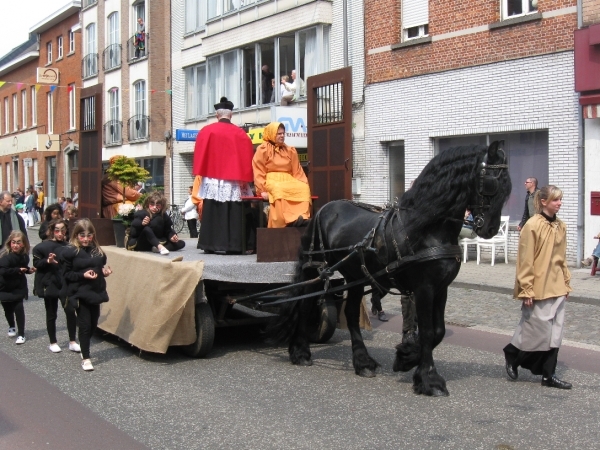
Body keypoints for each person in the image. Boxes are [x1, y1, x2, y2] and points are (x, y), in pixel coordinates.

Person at [503, 185, 572, 389]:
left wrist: (566, 282)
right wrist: (526, 289)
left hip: (557, 284)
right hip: (539, 285)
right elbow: (525, 260)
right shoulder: (532, 225)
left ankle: (548, 375)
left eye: (560, 200)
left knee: (555, 333)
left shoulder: (561, 226)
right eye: (555, 200)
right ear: (543, 202)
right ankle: (513, 355)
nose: (559, 203)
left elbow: (561, 258)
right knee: (537, 330)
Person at [193, 96, 255, 254]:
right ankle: (234, 246)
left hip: (213, 178)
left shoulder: (207, 131)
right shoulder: (241, 134)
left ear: (217, 115)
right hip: (234, 180)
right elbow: (248, 157)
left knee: (213, 210)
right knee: (234, 212)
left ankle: (210, 244)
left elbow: (200, 154)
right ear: (231, 114)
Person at [61, 219, 112, 371]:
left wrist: (104, 272)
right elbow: (67, 274)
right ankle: (86, 358)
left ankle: (84, 345)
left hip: (95, 291)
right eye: (82, 235)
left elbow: (99, 267)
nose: (85, 239)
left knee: (93, 324)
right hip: (79, 292)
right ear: (76, 235)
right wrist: (83, 275)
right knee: (85, 324)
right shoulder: (70, 252)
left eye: (89, 235)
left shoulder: (97, 251)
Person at [32, 219, 79, 354]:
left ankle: (72, 341)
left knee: (70, 311)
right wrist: (48, 261)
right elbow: (36, 263)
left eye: (62, 230)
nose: (60, 233)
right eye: (57, 230)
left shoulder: (69, 246)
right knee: (51, 313)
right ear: (52, 231)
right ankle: (53, 341)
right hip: (50, 283)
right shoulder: (41, 247)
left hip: (64, 283)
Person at [252, 121, 311, 228]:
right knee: (278, 189)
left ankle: (301, 217)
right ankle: (284, 221)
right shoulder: (262, 149)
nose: (282, 136)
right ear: (271, 134)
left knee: (303, 188)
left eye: (283, 133)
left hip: (289, 179)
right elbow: (258, 170)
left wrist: (303, 183)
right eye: (279, 134)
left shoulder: (290, 150)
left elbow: (297, 170)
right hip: (272, 179)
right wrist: (262, 190)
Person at [0, 230, 34, 344]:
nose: (15, 245)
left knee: (19, 309)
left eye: (18, 242)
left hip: (18, 286)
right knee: (8, 309)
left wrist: (29, 270)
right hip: (5, 286)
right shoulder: (5, 256)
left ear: (23, 244)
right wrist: (17, 270)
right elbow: (3, 271)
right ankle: (11, 325)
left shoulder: (24, 256)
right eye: (13, 242)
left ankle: (21, 334)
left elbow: (23, 268)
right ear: (10, 243)